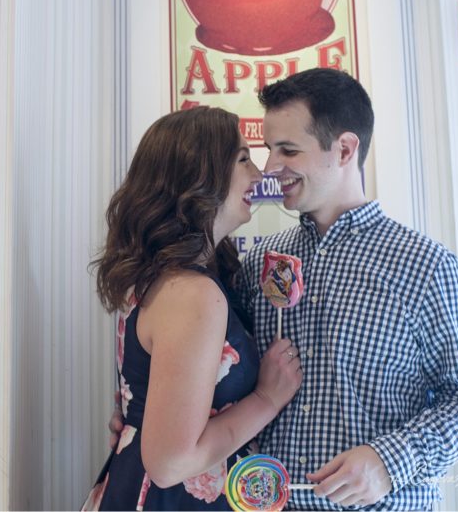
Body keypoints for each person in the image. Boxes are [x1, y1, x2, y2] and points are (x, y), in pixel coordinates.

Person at [233, 68, 458, 510]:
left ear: (345, 149)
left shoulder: (425, 266)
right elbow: (221, 373)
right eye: (269, 150)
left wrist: (389, 460)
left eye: (288, 150)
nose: (271, 167)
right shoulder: (260, 263)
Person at [82, 106, 303, 511]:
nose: (258, 175)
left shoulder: (166, 276)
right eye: (242, 159)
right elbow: (171, 463)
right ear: (200, 176)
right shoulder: (192, 293)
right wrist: (267, 400)